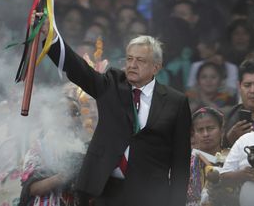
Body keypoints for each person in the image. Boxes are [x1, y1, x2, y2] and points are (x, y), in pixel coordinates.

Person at [41, 19, 191, 206]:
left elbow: (181, 162)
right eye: (129, 59)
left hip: (151, 196)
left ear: (156, 67)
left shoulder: (176, 102)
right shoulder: (112, 85)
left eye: (140, 60)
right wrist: (51, 38)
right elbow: (77, 69)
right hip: (105, 190)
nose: (132, 65)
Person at [19, 96, 86, 206]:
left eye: (75, 113)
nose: (70, 118)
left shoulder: (84, 146)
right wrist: (63, 176)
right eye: (64, 113)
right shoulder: (40, 147)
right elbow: (32, 188)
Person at [186, 107, 230, 206]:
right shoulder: (184, 164)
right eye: (200, 130)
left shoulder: (233, 158)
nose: (205, 134)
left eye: (210, 128)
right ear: (194, 135)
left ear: (222, 131)